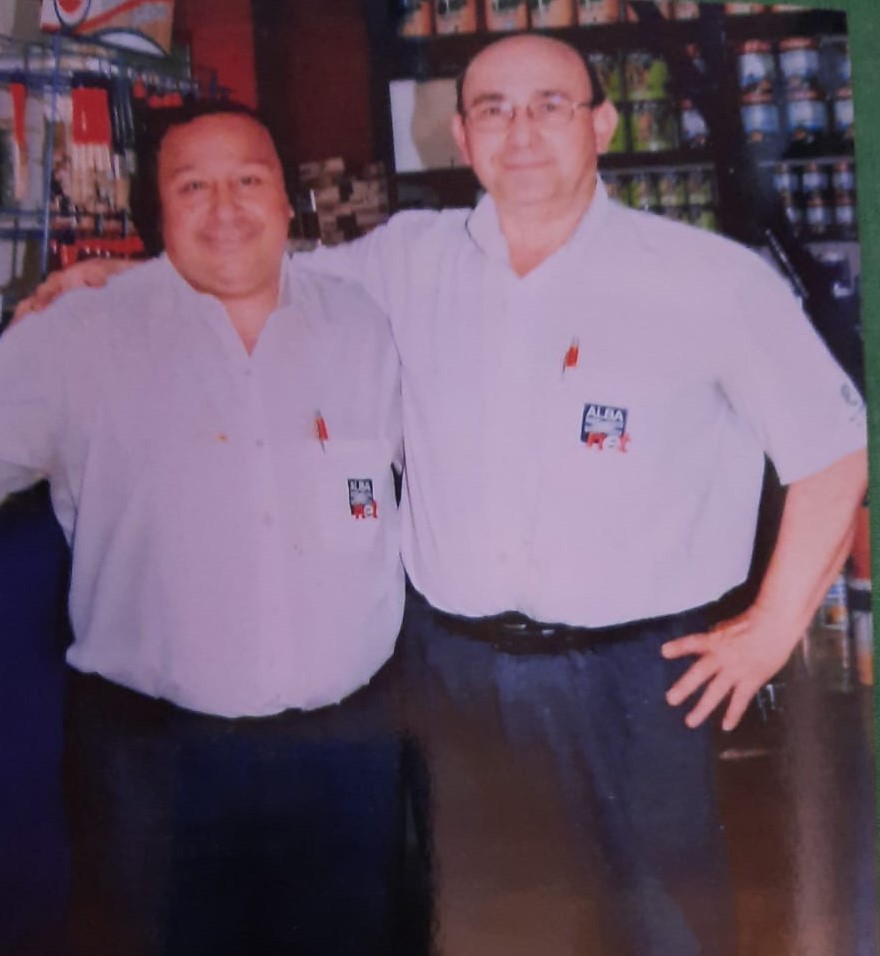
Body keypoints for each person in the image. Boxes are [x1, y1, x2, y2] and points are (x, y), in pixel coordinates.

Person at [17, 34, 869, 956]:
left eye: (550, 106)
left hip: (638, 675)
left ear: (603, 125)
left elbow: (834, 451)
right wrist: (115, 281)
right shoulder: (406, 261)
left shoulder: (710, 278)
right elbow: (252, 266)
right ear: (461, 137)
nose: (521, 132)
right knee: (489, 919)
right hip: (454, 668)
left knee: (663, 919)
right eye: (494, 110)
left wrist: (772, 628)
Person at [0, 101, 406, 956]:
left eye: (248, 180)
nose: (225, 207)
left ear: (288, 199)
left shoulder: (364, 325)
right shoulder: (79, 336)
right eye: (193, 187)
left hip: (348, 751)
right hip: (155, 760)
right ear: (159, 212)